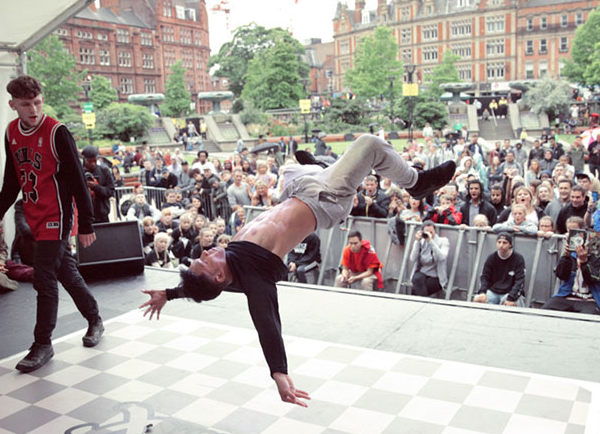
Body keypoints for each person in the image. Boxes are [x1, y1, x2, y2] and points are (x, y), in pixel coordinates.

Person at [139, 134, 456, 407]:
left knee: (290, 167)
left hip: (300, 188)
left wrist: (170, 293)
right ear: (220, 276)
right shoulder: (254, 276)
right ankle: (417, 183)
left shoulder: (228, 268)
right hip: (325, 200)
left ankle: (317, 163)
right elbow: (266, 321)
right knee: (369, 144)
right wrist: (279, 373)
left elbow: (205, 288)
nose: (207, 251)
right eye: (205, 260)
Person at [0, 75, 103, 373]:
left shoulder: (57, 132)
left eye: (38, 102)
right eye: (26, 104)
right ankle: (95, 319)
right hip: (33, 211)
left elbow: (80, 181)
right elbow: (12, 177)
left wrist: (87, 224)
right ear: (12, 104)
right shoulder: (12, 131)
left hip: (58, 214)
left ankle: (43, 343)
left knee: (43, 276)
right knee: (65, 271)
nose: (34, 110)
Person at [542, 216, 600, 315]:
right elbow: (560, 275)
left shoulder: (597, 259)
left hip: (588, 299)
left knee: (588, 318)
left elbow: (592, 279)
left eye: (574, 230)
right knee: (544, 312)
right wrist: (566, 256)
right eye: (569, 230)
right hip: (567, 296)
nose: (571, 234)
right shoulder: (569, 256)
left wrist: (584, 261)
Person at [473, 232, 525, 306]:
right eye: (499, 242)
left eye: (504, 243)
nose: (501, 245)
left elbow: (520, 281)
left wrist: (511, 298)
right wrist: (482, 292)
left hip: (509, 293)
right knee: (478, 299)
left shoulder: (518, 258)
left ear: (510, 245)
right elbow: (484, 277)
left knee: (512, 304)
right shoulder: (491, 257)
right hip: (493, 291)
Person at [80, 146, 116, 223]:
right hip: (85, 216)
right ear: (84, 159)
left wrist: (96, 187)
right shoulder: (79, 172)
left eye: (95, 161)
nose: (93, 164)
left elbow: (111, 191)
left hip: (102, 215)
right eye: (90, 161)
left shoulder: (104, 170)